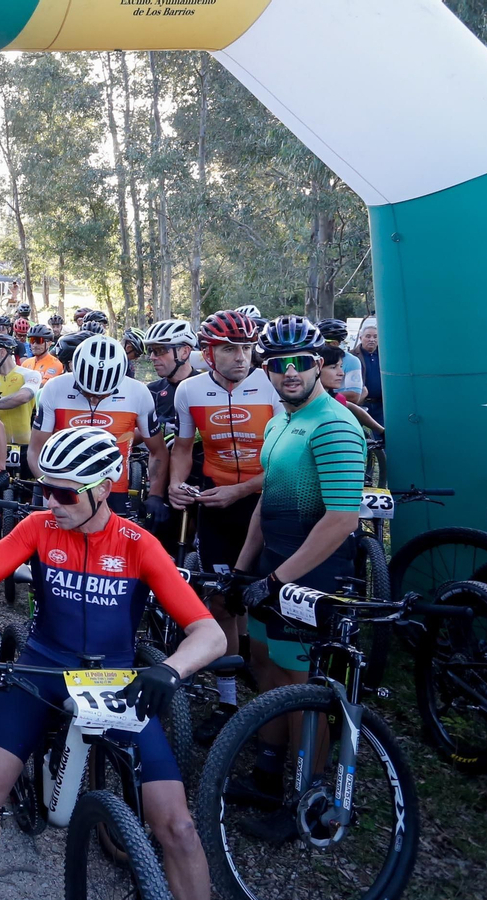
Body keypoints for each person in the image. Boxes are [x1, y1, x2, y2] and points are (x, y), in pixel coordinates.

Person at [0, 426, 224, 900]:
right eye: (44, 489)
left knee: (177, 827)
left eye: (64, 493)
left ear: (102, 488)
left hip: (114, 679)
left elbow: (211, 634)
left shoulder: (138, 544)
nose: (51, 502)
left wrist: (170, 670)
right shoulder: (39, 527)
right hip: (42, 669)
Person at [231, 315, 366, 842]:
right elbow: (268, 501)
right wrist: (245, 570)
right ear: (266, 370)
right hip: (275, 569)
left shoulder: (334, 424)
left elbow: (342, 520)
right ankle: (268, 772)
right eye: (278, 364)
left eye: (301, 363)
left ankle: (310, 799)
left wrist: (280, 579)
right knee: (264, 664)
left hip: (315, 576)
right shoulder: (277, 420)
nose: (289, 372)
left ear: (319, 366)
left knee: (303, 687)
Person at [166, 310, 277, 741]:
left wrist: (244, 489)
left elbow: (288, 459)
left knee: (265, 600)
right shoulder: (189, 390)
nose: (241, 357)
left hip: (266, 503)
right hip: (216, 503)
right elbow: (183, 445)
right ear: (208, 353)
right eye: (231, 348)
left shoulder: (271, 384)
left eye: (247, 348)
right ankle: (228, 699)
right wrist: (177, 482)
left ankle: (271, 698)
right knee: (219, 598)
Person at [31, 336, 169, 523]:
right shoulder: (55, 388)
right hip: (63, 490)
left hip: (113, 489)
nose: (95, 399)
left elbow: (158, 450)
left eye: (103, 395)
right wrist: (54, 489)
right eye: (88, 393)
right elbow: (35, 450)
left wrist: (155, 495)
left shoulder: (138, 393)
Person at [142, 319, 198, 438]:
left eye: (160, 350)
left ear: (184, 352)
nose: (152, 357)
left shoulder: (207, 387)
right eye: (151, 351)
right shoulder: (151, 391)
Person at [317, 318, 363, 404]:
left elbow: (354, 396)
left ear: (334, 343)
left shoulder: (352, 360)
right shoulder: (314, 357)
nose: (341, 372)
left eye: (321, 342)